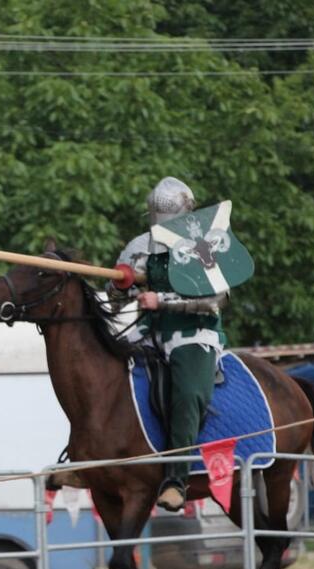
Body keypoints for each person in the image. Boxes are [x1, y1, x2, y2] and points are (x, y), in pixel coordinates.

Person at [112, 177, 229, 512]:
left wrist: (160, 300)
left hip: (192, 334)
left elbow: (217, 298)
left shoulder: (202, 245)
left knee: (188, 394)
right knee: (101, 374)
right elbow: (117, 301)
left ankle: (176, 480)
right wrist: (120, 285)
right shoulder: (139, 246)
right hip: (147, 333)